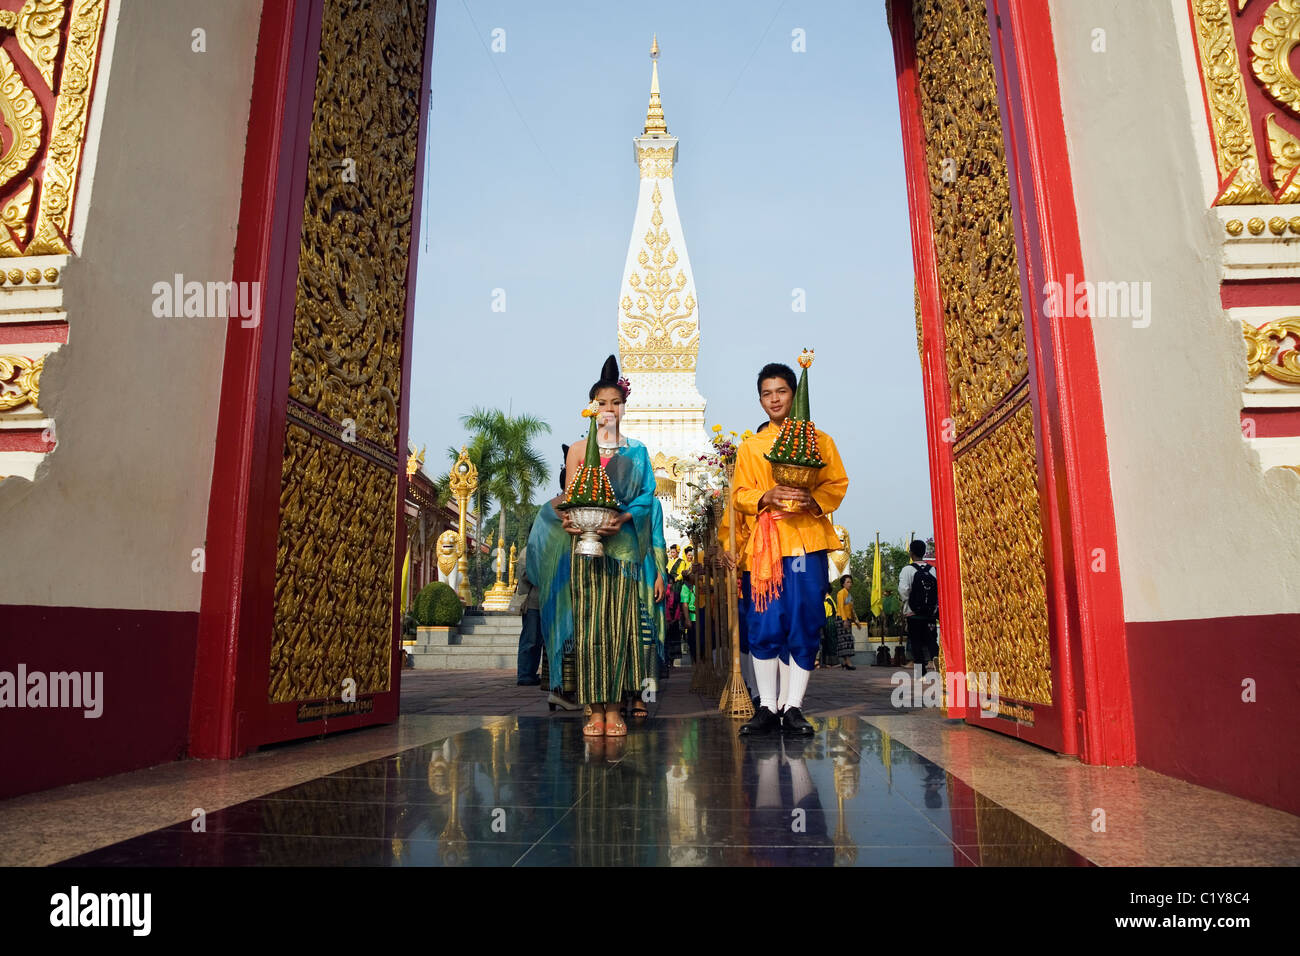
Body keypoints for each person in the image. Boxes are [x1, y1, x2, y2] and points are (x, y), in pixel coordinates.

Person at [527, 355, 664, 737]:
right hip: (585, 550)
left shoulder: (636, 452)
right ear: (592, 407)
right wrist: (573, 521)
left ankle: (616, 707)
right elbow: (571, 497)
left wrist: (621, 518)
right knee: (588, 628)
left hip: (621, 552)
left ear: (624, 407)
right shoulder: (577, 450)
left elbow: (648, 496)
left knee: (616, 629)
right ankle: (592, 708)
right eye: (602, 403)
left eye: (616, 403)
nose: (609, 409)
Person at [734, 359, 849, 737]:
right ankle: (767, 706)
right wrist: (766, 494)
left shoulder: (820, 442)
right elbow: (739, 494)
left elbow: (837, 483)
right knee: (765, 623)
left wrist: (813, 501)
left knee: (805, 621)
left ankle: (793, 707)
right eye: (766, 393)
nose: (774, 399)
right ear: (760, 400)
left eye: (781, 391)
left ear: (794, 395)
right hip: (765, 545)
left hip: (806, 543)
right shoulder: (751, 448)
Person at [898, 539, 939, 675]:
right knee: (931, 641)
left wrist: (908, 602)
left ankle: (920, 673)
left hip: (913, 613)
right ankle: (938, 666)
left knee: (916, 643)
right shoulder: (932, 569)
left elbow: (903, 590)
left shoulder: (907, 570)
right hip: (930, 613)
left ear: (911, 553)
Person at [513, 542, 542, 685]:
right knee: (530, 639)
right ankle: (524, 674)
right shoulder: (527, 551)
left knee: (538, 641)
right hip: (532, 603)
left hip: (543, 602)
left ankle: (531, 673)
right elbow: (526, 575)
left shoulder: (544, 548)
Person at [834, 574, 858, 669]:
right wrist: (844, 620)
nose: (850, 584)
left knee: (848, 640)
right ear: (843, 584)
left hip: (847, 619)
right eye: (847, 582)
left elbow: (851, 609)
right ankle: (848, 662)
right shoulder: (841, 593)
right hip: (841, 619)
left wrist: (856, 621)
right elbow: (840, 607)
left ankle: (845, 662)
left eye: (850, 582)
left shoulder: (849, 594)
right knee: (844, 640)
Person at [679, 568, 698, 663]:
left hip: (701, 616)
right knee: (693, 642)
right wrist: (687, 619)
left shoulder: (699, 584)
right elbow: (685, 604)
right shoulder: (686, 587)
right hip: (692, 617)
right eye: (692, 574)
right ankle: (694, 662)